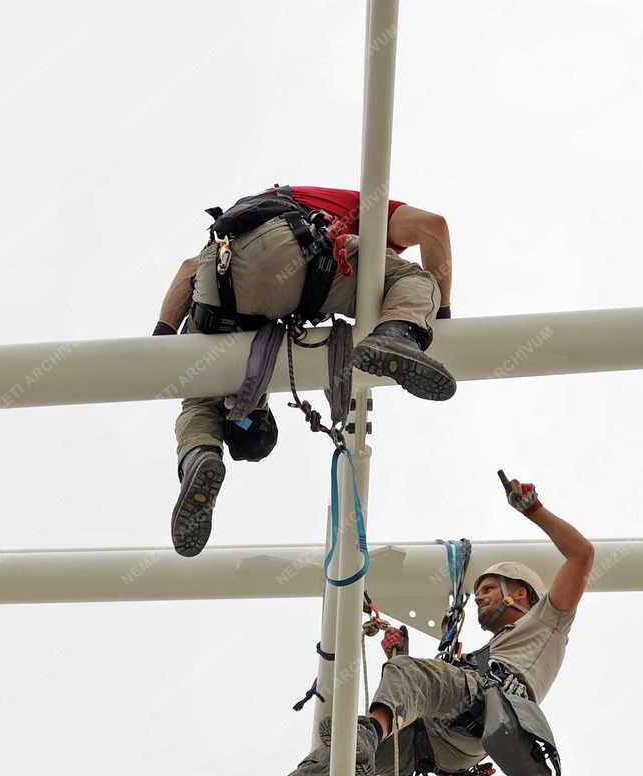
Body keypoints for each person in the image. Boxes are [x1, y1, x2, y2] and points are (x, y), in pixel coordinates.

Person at [186, 477, 595, 776]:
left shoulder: (548, 623)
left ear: (520, 593)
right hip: (440, 745)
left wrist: (533, 509)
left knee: (395, 691)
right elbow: (431, 690)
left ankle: (368, 733)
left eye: (489, 588)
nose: (480, 597)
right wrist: (400, 653)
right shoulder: (484, 654)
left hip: (485, 715)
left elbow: (581, 555)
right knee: (335, 758)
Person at [153, 184, 456, 557]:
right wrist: (438, 318)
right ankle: (397, 333)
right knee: (412, 279)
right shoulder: (362, 208)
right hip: (291, 255)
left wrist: (162, 342)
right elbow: (433, 226)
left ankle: (199, 454)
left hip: (215, 279)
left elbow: (187, 269)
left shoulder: (247, 213)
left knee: (201, 400)